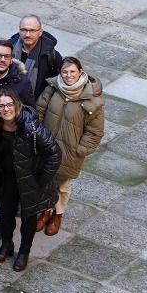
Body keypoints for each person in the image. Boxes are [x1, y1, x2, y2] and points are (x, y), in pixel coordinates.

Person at [0, 90, 59, 272]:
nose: (6, 109)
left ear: (17, 106)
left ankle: (24, 252)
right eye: (1, 106)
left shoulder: (31, 127)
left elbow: (54, 153)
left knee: (29, 219)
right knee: (6, 215)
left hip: (30, 181)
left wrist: (42, 179)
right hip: (7, 179)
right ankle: (7, 245)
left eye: (9, 105)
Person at [34, 57, 103, 237]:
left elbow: (94, 131)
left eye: (72, 71)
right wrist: (38, 137)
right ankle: (44, 211)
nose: (68, 75)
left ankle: (57, 215)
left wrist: (80, 150)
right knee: (45, 180)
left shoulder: (91, 98)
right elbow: (39, 112)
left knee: (63, 185)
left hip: (70, 152)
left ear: (80, 71)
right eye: (65, 72)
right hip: (47, 147)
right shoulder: (52, 88)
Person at [10, 14, 63, 101]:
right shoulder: (8, 49)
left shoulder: (51, 56)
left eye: (32, 30)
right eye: (24, 30)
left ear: (40, 32)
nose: (27, 34)